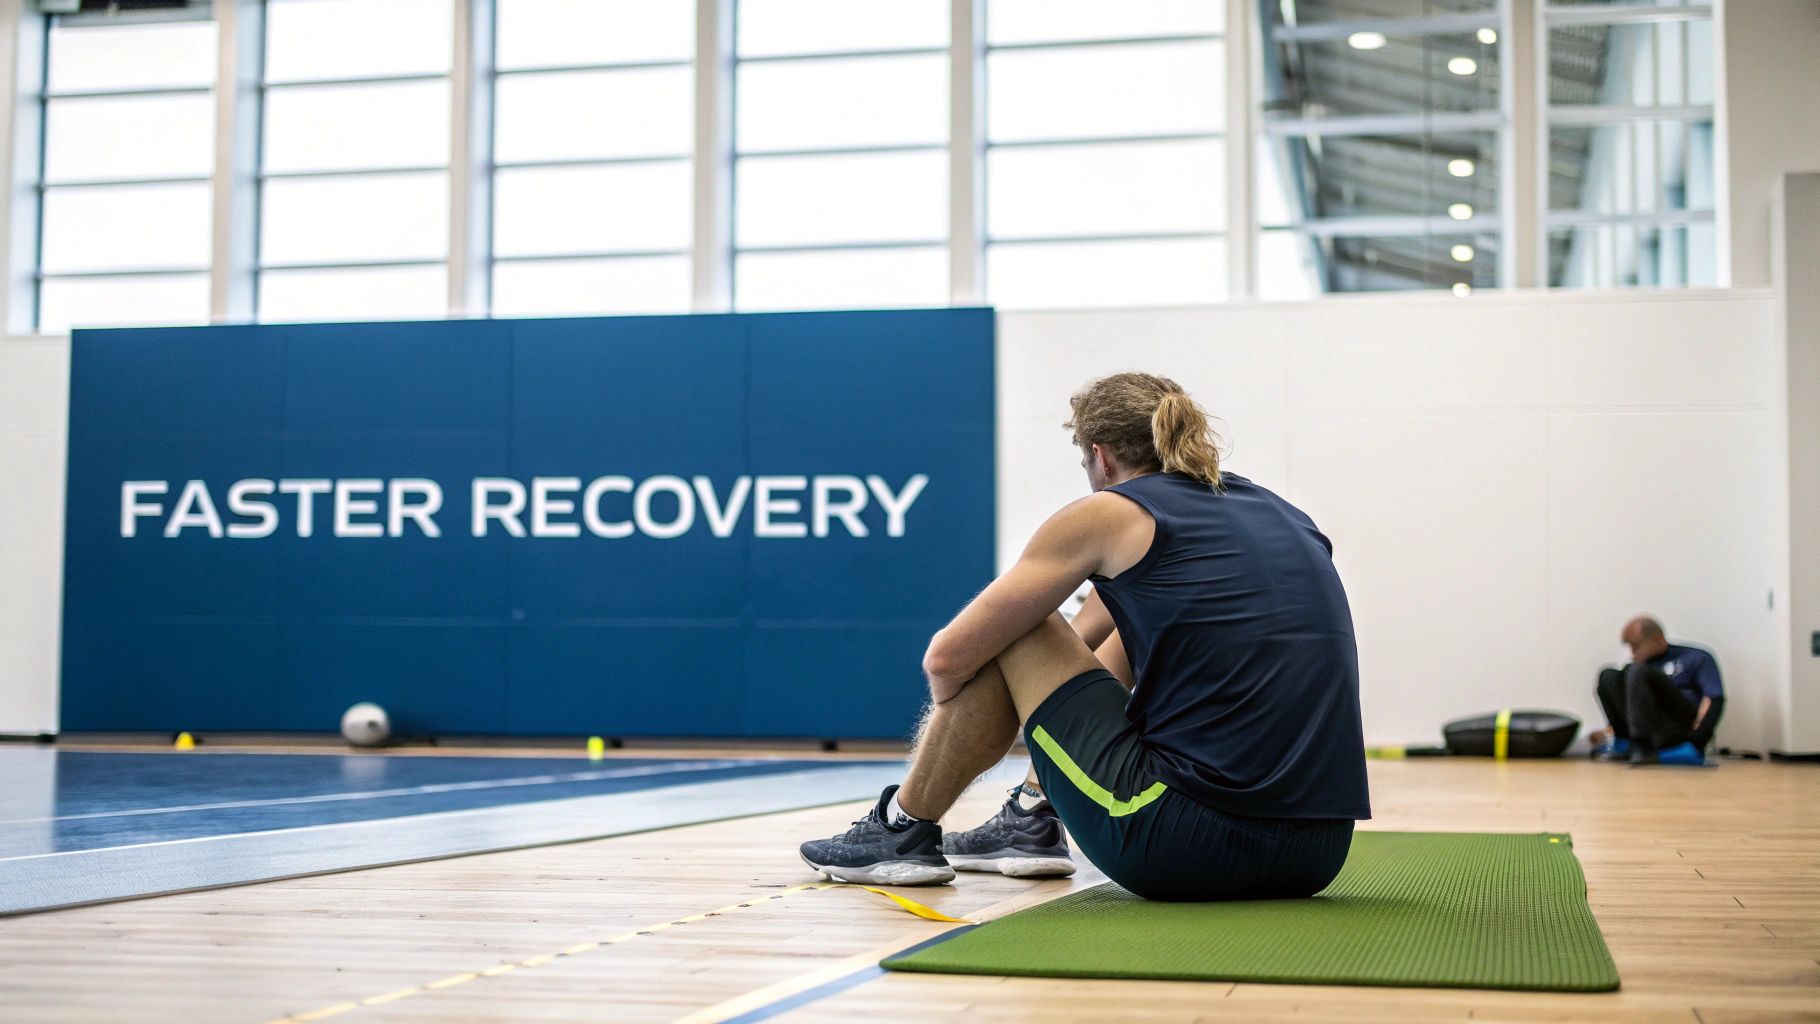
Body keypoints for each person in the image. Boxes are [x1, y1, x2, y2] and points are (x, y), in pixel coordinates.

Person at [799, 373, 1371, 901]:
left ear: (1100, 456)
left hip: (1181, 846)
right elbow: (1088, 654)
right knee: (1119, 631)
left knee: (1016, 625)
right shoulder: (1283, 514)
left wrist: (969, 705)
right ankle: (1030, 813)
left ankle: (901, 828)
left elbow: (947, 658)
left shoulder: (1110, 512)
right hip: (1317, 854)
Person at [1588, 616, 1724, 766]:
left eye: (1636, 646)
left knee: (1636, 671)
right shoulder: (1642, 666)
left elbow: (1714, 698)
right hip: (1650, 726)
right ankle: (1626, 743)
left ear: (1658, 639)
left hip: (1681, 725)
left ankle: (1643, 746)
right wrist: (1606, 733)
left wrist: (1698, 741)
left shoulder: (1695, 657)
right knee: (1608, 675)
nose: (1632, 652)